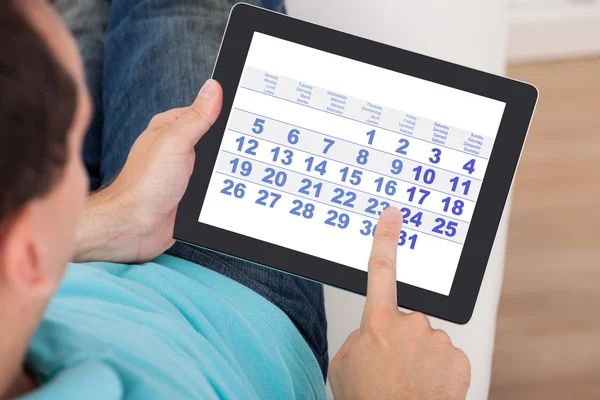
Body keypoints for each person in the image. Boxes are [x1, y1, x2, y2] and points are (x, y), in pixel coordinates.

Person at [0, 0, 471, 399]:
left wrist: (108, 218)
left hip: (91, 253)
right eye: (72, 139)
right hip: (221, 304)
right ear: (28, 252)